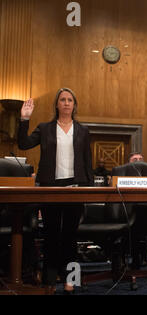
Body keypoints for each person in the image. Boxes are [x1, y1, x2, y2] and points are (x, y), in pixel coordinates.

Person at [18, 88, 93, 294]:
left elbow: (88, 161)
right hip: (50, 186)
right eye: (63, 100)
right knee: (51, 234)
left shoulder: (83, 130)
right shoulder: (45, 128)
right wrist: (24, 119)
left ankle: (72, 280)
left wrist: (89, 188)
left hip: (76, 187)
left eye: (70, 100)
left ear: (74, 105)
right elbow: (23, 144)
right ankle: (49, 281)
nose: (67, 103)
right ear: (57, 104)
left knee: (71, 235)